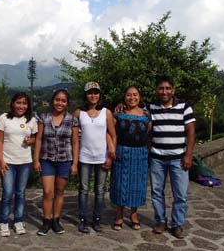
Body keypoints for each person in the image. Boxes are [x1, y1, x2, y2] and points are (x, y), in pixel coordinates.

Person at [147, 75, 195, 239]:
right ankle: (160, 221)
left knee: (180, 194)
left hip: (178, 158)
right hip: (157, 158)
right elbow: (136, 112)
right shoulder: (151, 107)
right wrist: (120, 105)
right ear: (156, 90)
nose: (164, 91)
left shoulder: (184, 106)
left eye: (168, 88)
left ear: (173, 90)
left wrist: (188, 154)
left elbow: (191, 131)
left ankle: (177, 224)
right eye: (161, 88)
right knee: (156, 192)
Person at [33, 89, 79, 236]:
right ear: (53, 100)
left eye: (63, 101)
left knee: (59, 191)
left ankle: (56, 220)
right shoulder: (43, 118)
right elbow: (39, 139)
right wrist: (36, 159)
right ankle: (46, 220)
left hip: (65, 160)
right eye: (57, 100)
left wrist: (75, 163)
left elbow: (75, 142)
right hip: (47, 159)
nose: (60, 103)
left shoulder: (72, 120)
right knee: (47, 192)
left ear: (67, 103)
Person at [73, 82, 116, 233]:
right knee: (83, 189)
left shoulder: (107, 113)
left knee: (100, 189)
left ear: (100, 95)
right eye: (90, 93)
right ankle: (83, 219)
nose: (93, 95)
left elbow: (112, 134)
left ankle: (97, 219)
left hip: (102, 156)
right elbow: (74, 136)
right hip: (84, 156)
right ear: (85, 95)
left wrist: (111, 155)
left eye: (96, 92)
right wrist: (74, 158)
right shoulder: (79, 113)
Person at [0, 92, 37, 237]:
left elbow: (35, 139)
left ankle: (18, 220)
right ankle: (4, 221)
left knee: (20, 193)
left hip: (25, 161)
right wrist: (0, 160)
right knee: (7, 193)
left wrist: (30, 141)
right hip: (8, 162)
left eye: (24, 103)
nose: (21, 106)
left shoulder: (31, 120)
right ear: (13, 103)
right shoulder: (4, 118)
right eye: (18, 103)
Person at [110, 86, 151, 231]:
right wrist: (112, 150)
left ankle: (134, 214)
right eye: (128, 95)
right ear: (124, 97)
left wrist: (148, 151)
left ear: (139, 97)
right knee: (121, 183)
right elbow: (111, 134)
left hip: (141, 153)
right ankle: (119, 215)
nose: (132, 98)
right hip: (122, 151)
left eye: (135, 95)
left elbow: (150, 134)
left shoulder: (147, 114)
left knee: (137, 184)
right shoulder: (118, 114)